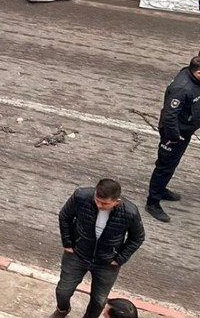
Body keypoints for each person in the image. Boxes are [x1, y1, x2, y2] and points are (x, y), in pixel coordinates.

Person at [53, 179, 144, 318]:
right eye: (97, 200)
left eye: (105, 203)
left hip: (106, 263)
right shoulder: (81, 197)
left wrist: (119, 259)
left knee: (99, 300)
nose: (99, 205)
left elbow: (137, 238)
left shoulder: (130, 212)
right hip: (78, 254)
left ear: (117, 202)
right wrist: (68, 243)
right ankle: (63, 310)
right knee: (62, 291)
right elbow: (64, 216)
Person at [145, 56, 200, 223]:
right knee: (165, 166)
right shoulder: (182, 88)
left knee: (172, 164)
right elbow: (170, 116)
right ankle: (153, 202)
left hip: (185, 129)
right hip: (175, 135)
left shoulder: (193, 78)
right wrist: (173, 137)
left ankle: (161, 190)